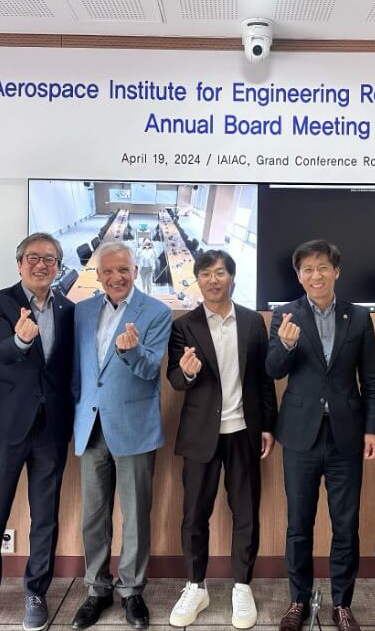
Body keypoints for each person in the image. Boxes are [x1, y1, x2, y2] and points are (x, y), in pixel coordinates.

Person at [265, 240, 375, 631]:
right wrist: (285, 344)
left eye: (322, 267)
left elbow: (370, 377)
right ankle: (298, 600)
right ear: (298, 276)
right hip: (300, 435)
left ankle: (342, 604)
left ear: (336, 271)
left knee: (345, 524)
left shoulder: (359, 317)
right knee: (299, 523)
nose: (315, 276)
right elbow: (274, 370)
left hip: (346, 436)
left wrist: (373, 430)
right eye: (307, 270)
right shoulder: (286, 315)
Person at [0, 233, 75, 631]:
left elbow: (65, 371)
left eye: (49, 259)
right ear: (19, 263)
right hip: (4, 424)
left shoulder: (67, 308)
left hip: (51, 428)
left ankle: (36, 593)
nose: (41, 264)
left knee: (45, 517)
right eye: (33, 257)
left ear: (58, 266)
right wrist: (20, 339)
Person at [165, 250, 278, 629]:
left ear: (231, 277)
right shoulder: (184, 325)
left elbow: (264, 381)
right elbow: (176, 381)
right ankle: (195, 586)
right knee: (194, 515)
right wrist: (187, 373)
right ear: (197, 281)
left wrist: (268, 426)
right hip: (200, 435)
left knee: (246, 513)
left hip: (244, 431)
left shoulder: (251, 322)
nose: (213, 280)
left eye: (220, 273)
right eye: (205, 274)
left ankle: (242, 587)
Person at [70, 241, 172, 630]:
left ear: (135, 270)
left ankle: (132, 591)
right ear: (98, 274)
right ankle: (97, 590)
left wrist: (131, 351)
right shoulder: (82, 312)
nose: (115, 277)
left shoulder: (157, 312)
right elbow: (79, 372)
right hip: (90, 427)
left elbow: (150, 371)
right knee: (93, 516)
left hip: (134, 428)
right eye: (107, 271)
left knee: (135, 516)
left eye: (123, 270)